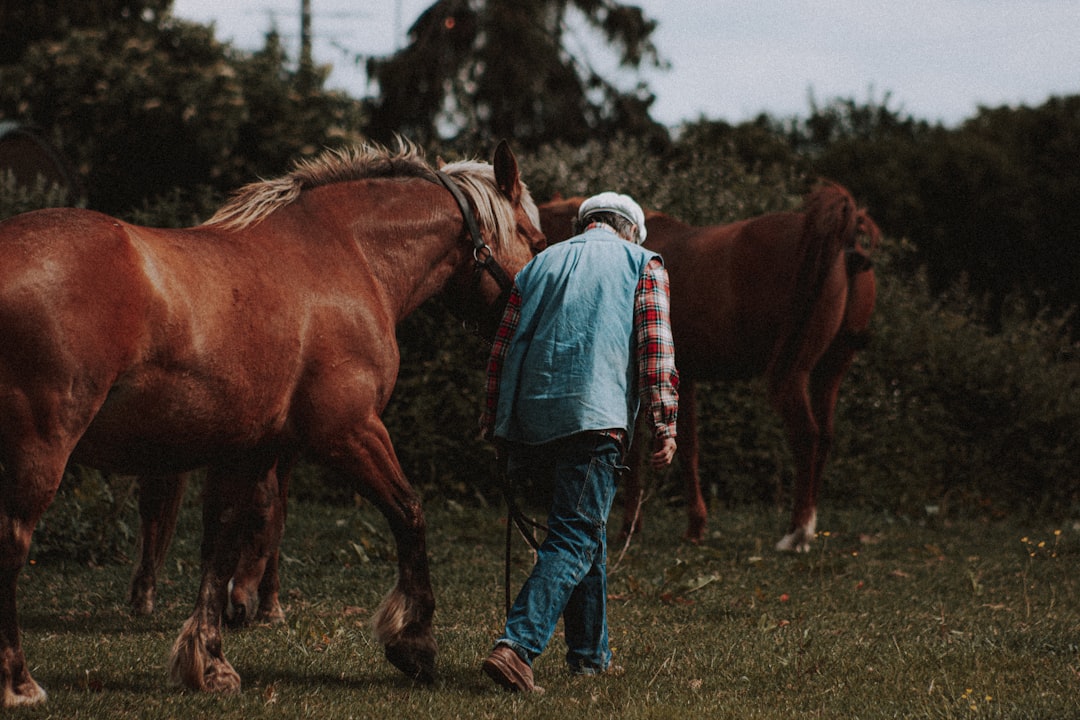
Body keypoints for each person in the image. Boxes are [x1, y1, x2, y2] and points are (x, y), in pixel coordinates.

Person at [479, 191, 679, 693]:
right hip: (595, 418)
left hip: (532, 423)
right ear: (630, 230)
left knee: (581, 530)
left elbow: (502, 351)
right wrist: (665, 423)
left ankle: (590, 656)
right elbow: (656, 351)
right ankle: (517, 647)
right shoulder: (643, 263)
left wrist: (495, 425)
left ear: (582, 224)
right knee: (575, 536)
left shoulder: (538, 265)